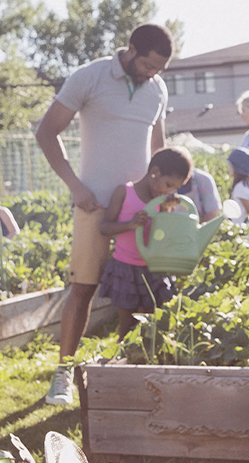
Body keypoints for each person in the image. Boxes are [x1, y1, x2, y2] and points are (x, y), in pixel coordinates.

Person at [34, 23, 174, 406]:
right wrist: (75, 187)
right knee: (83, 287)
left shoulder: (157, 90)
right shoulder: (90, 77)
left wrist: (163, 196)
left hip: (141, 210)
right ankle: (63, 374)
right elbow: (47, 131)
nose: (151, 74)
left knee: (142, 290)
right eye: (147, 65)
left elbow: (159, 149)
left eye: (158, 69)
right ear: (131, 50)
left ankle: (127, 371)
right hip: (93, 203)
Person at [98, 147, 192, 340]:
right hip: (126, 267)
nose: (168, 191)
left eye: (173, 188)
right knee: (127, 323)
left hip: (152, 268)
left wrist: (166, 210)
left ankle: (146, 361)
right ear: (154, 172)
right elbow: (104, 227)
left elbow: (163, 235)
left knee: (152, 322)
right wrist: (130, 225)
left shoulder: (162, 200)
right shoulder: (124, 192)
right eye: (167, 184)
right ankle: (124, 361)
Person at [226, 148, 249, 224]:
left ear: (237, 168)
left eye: (230, 166)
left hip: (243, 230)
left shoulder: (240, 188)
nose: (229, 168)